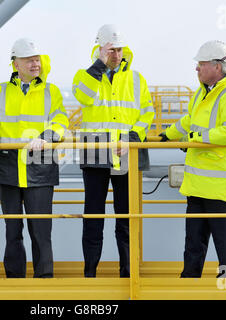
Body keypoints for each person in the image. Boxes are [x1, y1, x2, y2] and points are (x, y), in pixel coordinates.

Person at [159, 40, 226, 278]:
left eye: (201, 64)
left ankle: (225, 287)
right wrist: (167, 136)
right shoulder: (203, 94)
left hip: (220, 187)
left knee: (224, 244)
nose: (196, 69)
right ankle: (189, 284)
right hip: (198, 184)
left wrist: (195, 138)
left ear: (217, 67)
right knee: (193, 241)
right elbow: (190, 120)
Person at [0, 38, 69, 278]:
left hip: (39, 167)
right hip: (8, 168)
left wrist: (46, 137)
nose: (35, 63)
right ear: (15, 64)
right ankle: (14, 280)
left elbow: (61, 122)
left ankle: (44, 280)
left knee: (41, 231)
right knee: (12, 230)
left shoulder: (52, 91)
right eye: (28, 59)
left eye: (37, 59)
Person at [72, 24, 155, 278]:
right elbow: (82, 97)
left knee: (126, 216)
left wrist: (131, 136)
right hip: (95, 152)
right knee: (93, 217)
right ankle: (90, 273)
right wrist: (98, 66)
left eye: (119, 49)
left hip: (125, 152)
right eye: (110, 50)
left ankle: (128, 273)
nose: (116, 55)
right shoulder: (85, 75)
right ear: (99, 49)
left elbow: (147, 113)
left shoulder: (137, 78)